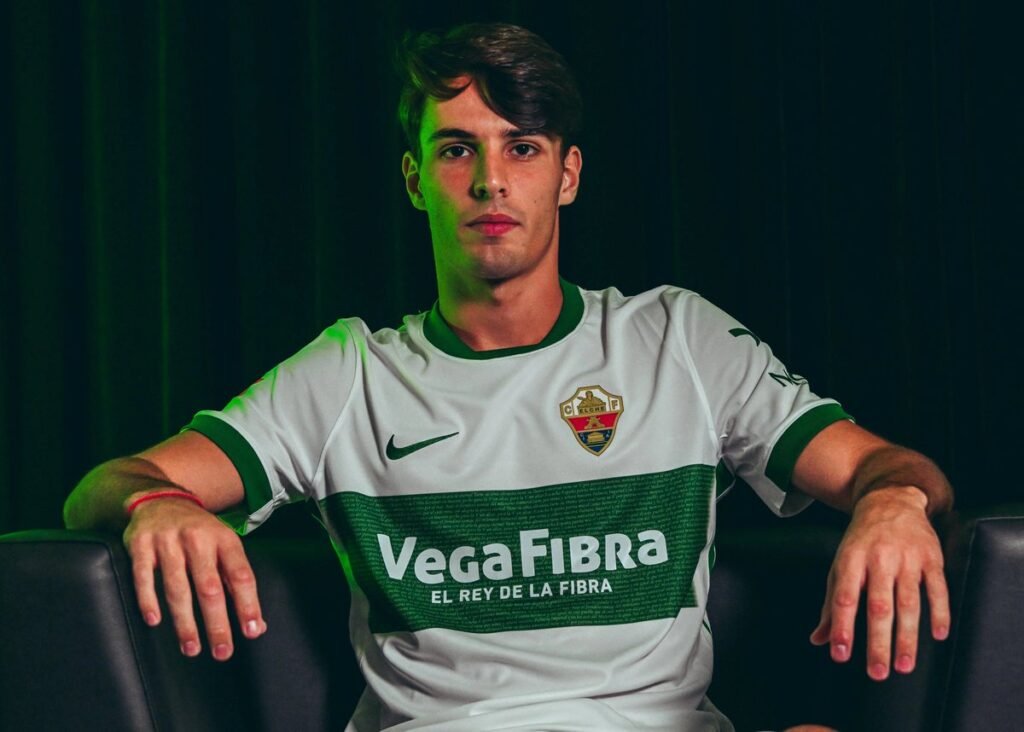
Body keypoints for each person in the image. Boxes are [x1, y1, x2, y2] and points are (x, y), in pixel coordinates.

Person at [64, 22, 952, 732]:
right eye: (457, 149)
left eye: (522, 147)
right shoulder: (347, 375)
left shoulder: (678, 340)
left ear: (567, 174)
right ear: (416, 179)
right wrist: (157, 504)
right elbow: (104, 488)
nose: (490, 180)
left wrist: (893, 502)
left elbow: (894, 469)